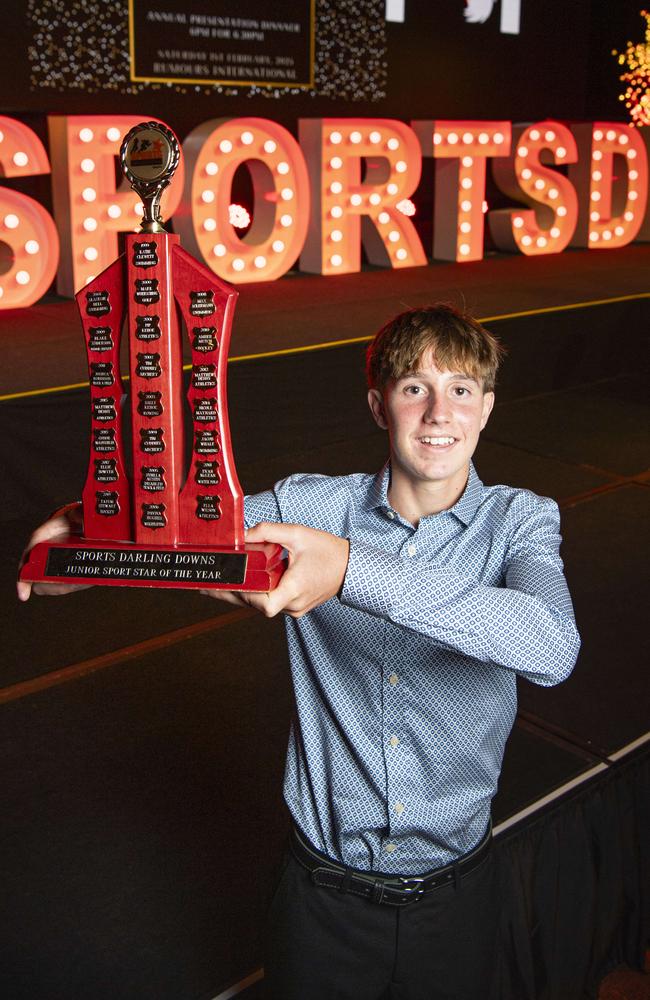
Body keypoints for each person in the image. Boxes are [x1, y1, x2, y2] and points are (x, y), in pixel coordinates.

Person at [18, 304, 580, 1000]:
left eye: (461, 389)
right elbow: (185, 535)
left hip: (458, 898)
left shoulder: (521, 518)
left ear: (486, 408)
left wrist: (351, 569)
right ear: (380, 406)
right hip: (323, 901)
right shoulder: (310, 508)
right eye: (414, 389)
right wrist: (84, 541)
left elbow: (551, 645)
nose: (439, 412)